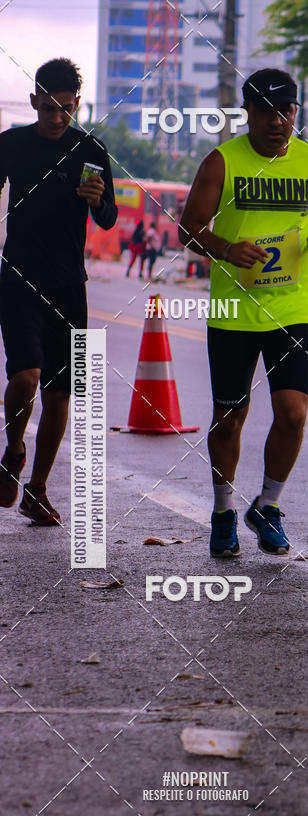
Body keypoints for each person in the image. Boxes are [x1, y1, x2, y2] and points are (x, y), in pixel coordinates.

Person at [179, 68, 308, 558]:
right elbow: (188, 229)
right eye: (267, 111)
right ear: (247, 113)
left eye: (287, 110)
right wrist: (226, 249)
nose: (278, 121)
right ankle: (224, 512)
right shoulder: (221, 162)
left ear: (297, 111)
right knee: (230, 418)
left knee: (292, 415)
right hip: (233, 312)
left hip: (291, 307)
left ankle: (267, 507)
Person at [0, 57, 117, 524]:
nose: (57, 118)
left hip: (71, 286)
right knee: (25, 376)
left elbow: (107, 217)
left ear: (77, 105)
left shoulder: (90, 149)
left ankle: (39, 490)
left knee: (61, 394)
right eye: (49, 108)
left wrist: (98, 201)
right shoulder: (10, 143)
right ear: (34, 102)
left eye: (66, 109)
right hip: (18, 279)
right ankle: (12, 449)